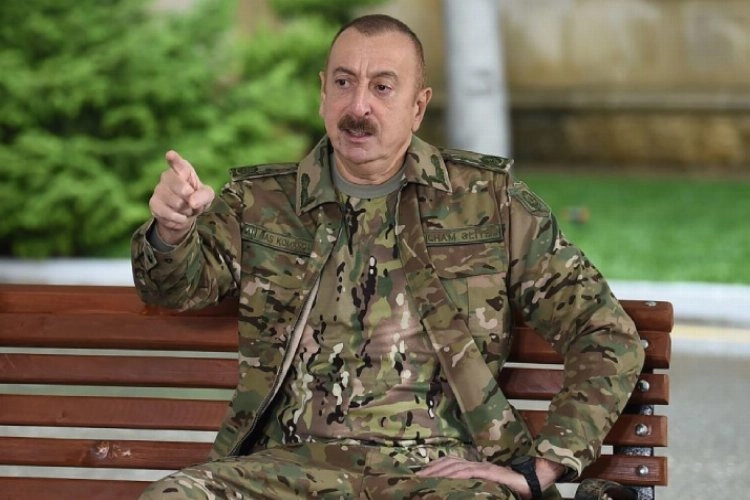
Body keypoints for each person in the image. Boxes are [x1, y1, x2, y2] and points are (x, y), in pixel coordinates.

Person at [131, 14, 644, 500]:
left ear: (418, 106)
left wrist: (545, 466)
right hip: (288, 469)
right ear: (323, 93)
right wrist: (172, 231)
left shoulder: (487, 202)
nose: (358, 107)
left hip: (438, 475)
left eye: (382, 87)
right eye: (344, 82)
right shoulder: (261, 203)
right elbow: (172, 289)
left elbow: (604, 331)